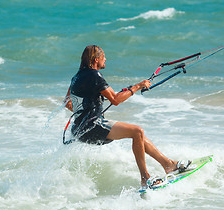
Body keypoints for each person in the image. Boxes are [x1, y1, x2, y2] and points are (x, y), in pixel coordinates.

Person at [64, 45, 190, 188]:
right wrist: (138, 86)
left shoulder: (76, 77)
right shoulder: (94, 75)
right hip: (92, 127)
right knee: (137, 131)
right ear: (96, 59)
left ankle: (168, 164)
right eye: (103, 56)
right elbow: (115, 99)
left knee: (138, 136)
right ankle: (145, 178)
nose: (106, 59)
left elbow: (67, 103)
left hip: (79, 130)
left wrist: (88, 106)